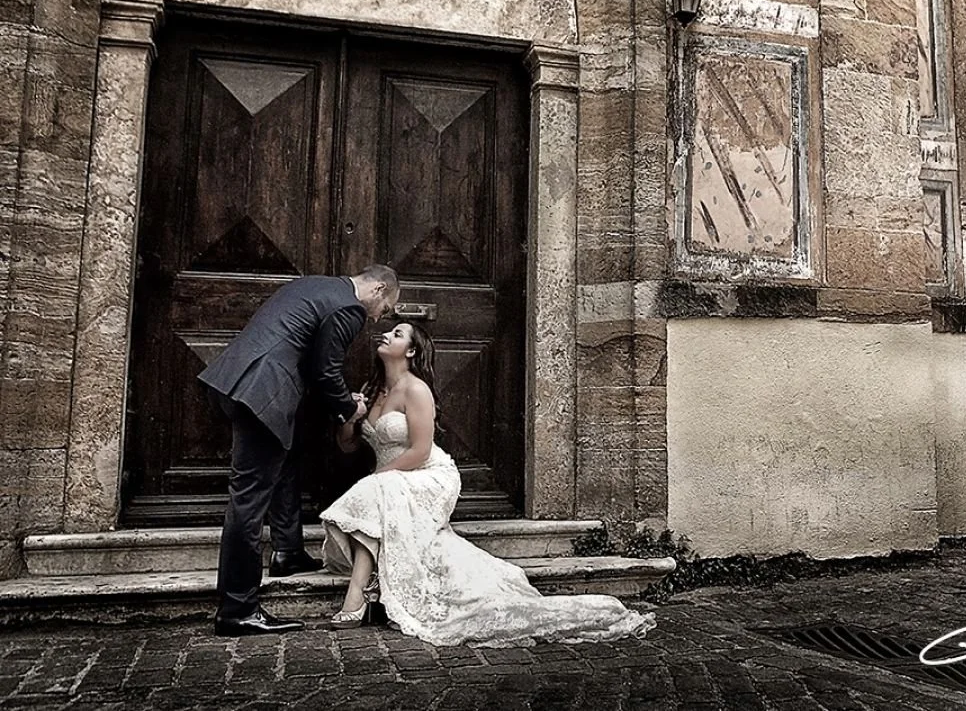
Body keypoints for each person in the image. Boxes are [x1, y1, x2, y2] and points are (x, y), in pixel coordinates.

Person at [320, 322, 656, 646]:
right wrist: (350, 420)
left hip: (428, 476)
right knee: (381, 496)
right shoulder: (371, 390)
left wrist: (380, 479)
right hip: (390, 481)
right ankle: (366, 589)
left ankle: (356, 596)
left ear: (410, 351)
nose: (386, 335)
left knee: (379, 492)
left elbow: (421, 451)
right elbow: (348, 445)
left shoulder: (416, 389)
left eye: (397, 334)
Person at [200, 264, 400, 636]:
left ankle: (287, 553)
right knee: (248, 501)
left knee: (287, 463)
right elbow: (325, 370)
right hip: (264, 389)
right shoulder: (350, 307)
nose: (378, 319)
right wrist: (348, 407)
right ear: (378, 289)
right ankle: (237, 609)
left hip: (246, 380)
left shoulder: (318, 287)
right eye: (385, 309)